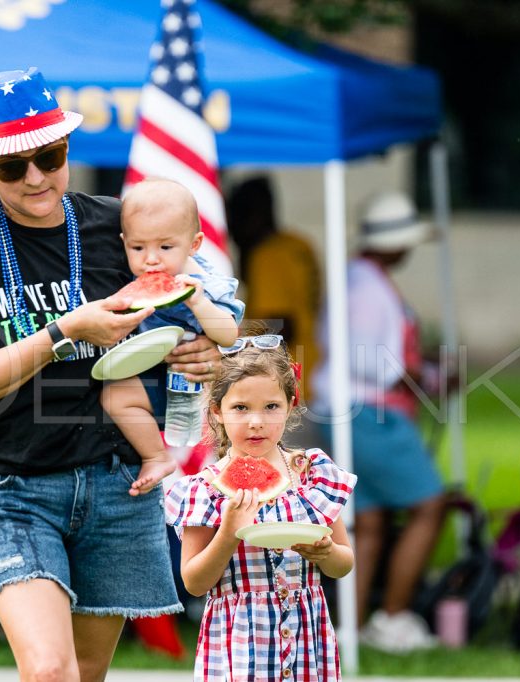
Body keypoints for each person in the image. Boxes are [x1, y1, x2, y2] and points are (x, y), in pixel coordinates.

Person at [0, 67, 220, 681]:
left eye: (49, 157)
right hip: (9, 482)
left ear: (66, 146)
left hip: (117, 481)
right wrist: (61, 334)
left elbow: (194, 309)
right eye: (11, 166)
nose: (35, 178)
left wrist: (204, 351)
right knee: (50, 670)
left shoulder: (120, 227)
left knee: (85, 672)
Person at [165, 326, 357, 680]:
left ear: (291, 405)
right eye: (240, 408)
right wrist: (228, 534)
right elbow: (193, 582)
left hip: (306, 643)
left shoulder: (311, 473)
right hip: (239, 647)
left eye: (271, 407)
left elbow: (344, 564)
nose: (256, 422)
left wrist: (326, 552)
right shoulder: (205, 489)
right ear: (217, 411)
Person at [312, 191, 448, 653]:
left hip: (342, 409)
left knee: (367, 521)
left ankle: (349, 627)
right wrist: (430, 376)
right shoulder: (368, 289)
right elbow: (373, 363)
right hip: (370, 413)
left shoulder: (356, 278)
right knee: (430, 504)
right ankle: (392, 616)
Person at [103, 177, 243, 495]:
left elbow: (228, 334)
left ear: (194, 244)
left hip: (188, 385)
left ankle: (159, 457)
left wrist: (198, 302)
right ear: (124, 242)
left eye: (165, 247)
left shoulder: (206, 283)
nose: (151, 259)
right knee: (114, 396)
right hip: (149, 375)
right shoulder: (130, 279)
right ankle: (157, 454)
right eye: (138, 247)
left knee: (118, 398)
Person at [226, 176, 321, 399]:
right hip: (310, 369)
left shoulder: (267, 257)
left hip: (282, 381)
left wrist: (231, 342)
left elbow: (281, 327)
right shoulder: (298, 244)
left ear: (252, 217)